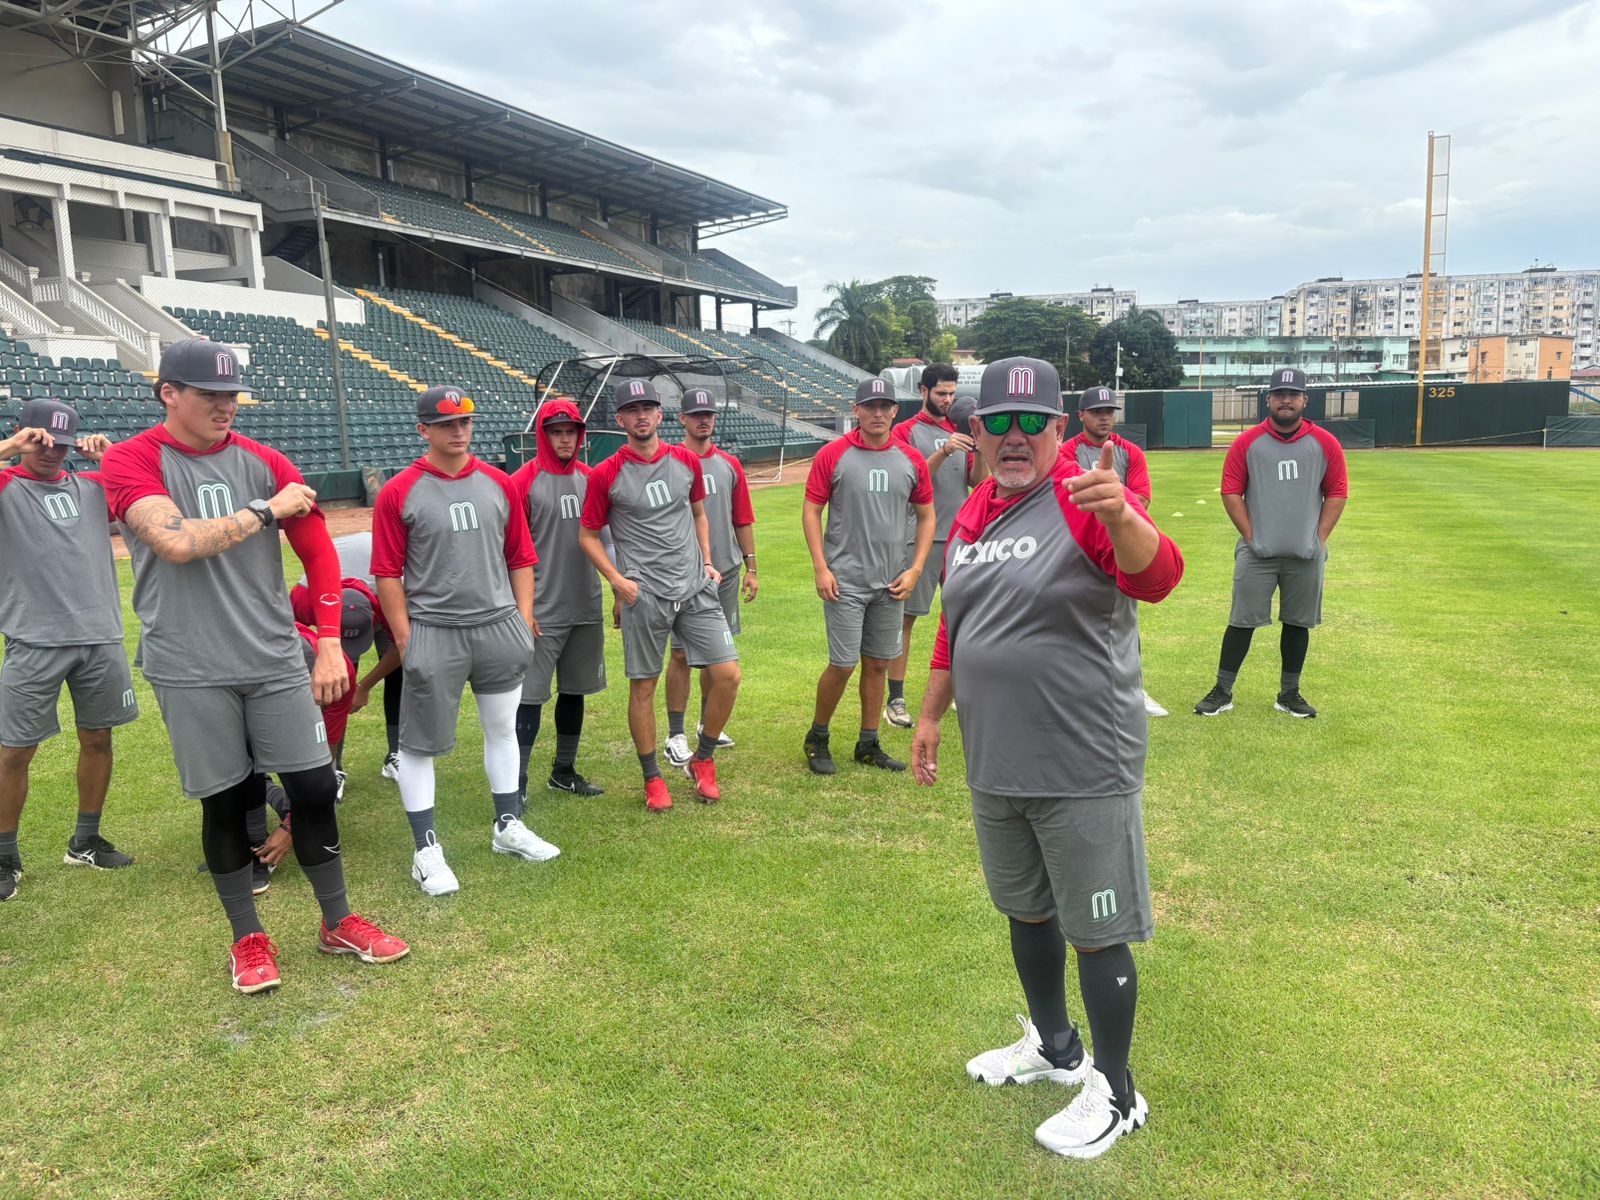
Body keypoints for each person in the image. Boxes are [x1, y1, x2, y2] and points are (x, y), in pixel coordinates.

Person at [910, 356, 1184, 1160]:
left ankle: (1118, 1091)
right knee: (1025, 909)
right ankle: (1056, 1047)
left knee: (1095, 929)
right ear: (977, 434)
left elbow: (1159, 575)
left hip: (1079, 757)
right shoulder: (974, 513)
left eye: (1036, 422)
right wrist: (931, 714)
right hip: (996, 757)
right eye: (1001, 422)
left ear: (1062, 429)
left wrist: (1126, 515)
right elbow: (957, 625)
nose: (1018, 435)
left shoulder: (1086, 496)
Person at [101, 339, 407, 994]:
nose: (224, 406)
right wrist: (264, 511)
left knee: (316, 788)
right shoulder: (133, 461)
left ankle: (337, 920)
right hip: (190, 663)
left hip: (270, 654)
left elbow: (320, 555)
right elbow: (176, 541)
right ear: (168, 394)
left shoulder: (264, 460)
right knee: (226, 799)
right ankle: (247, 938)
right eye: (209, 394)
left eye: (231, 394)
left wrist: (329, 642)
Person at [372, 384, 556, 897]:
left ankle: (507, 826)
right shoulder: (399, 491)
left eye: (466, 422)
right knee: (418, 745)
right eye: (447, 424)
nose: (459, 432)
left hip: (498, 627)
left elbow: (521, 556)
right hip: (435, 628)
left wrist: (522, 618)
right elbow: (387, 573)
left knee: (502, 730)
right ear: (423, 430)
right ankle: (426, 850)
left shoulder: (499, 483)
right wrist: (406, 639)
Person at [579, 378, 740, 812]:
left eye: (648, 407)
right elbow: (588, 536)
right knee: (643, 688)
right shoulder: (606, 474)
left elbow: (699, 513)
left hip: (694, 588)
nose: (642, 415)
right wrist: (617, 579)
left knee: (728, 675)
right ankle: (652, 778)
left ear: (660, 414)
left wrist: (708, 561)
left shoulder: (686, 460)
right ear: (621, 420)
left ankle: (702, 760)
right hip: (644, 595)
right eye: (633, 410)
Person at [0, 400, 137, 902]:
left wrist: (113, 458)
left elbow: (154, 493)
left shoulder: (93, 486)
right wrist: (11, 450)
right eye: (40, 441)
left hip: (99, 635)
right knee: (15, 751)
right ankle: (4, 853)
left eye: (62, 443)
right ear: (20, 434)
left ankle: (85, 839)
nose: (52, 452)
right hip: (33, 639)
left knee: (98, 739)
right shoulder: (8, 485)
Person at [1194, 367, 1348, 718]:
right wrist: (1251, 537)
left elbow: (1337, 493)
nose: (1286, 400)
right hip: (1258, 553)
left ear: (1304, 400)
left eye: (1293, 394)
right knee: (1241, 621)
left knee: (1298, 622)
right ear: (1269, 399)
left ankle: (1289, 694)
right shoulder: (1247, 442)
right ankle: (1223, 690)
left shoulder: (1325, 443)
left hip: (1305, 554)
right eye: (1279, 394)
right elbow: (1231, 492)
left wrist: (1318, 539)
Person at [802, 377, 934, 774]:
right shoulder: (833, 454)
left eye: (885, 406)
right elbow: (812, 510)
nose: (877, 413)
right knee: (842, 665)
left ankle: (868, 742)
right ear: (855, 410)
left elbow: (927, 517)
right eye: (869, 406)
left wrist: (915, 569)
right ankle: (818, 736)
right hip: (845, 582)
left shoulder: (911, 460)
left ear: (896, 411)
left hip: (891, 583)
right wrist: (821, 567)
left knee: (878, 664)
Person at [509, 398, 608, 800]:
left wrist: (618, 592)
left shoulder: (591, 478)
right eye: (557, 432)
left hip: (585, 604)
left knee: (575, 690)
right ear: (543, 435)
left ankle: (564, 771)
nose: (565, 439)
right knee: (530, 697)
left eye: (571, 432)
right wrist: (522, 609)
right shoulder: (521, 481)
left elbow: (607, 541)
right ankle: (516, 783)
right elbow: (509, 551)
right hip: (541, 610)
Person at [883, 365, 985, 729]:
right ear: (924, 391)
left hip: (961, 539)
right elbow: (905, 481)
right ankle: (895, 699)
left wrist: (982, 446)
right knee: (906, 619)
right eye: (941, 393)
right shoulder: (904, 431)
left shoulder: (961, 431)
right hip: (919, 539)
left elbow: (976, 481)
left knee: (966, 619)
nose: (948, 400)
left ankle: (962, 693)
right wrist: (943, 452)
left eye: (952, 394)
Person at [663, 388, 757, 767]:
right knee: (683, 653)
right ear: (681, 419)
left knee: (718, 654)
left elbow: (743, 518)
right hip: (682, 576)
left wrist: (751, 567)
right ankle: (675, 733)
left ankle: (707, 725)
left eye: (709, 414)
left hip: (727, 570)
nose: (703, 419)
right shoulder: (670, 463)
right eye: (695, 414)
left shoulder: (729, 465)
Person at [1060, 386, 1167, 718]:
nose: (1105, 417)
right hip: (1073, 546)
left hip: (1118, 545)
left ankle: (1132, 690)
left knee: (1123, 620)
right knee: (1070, 619)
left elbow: (1142, 498)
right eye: (1097, 411)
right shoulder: (1066, 452)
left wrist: (1113, 519)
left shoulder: (1130, 452)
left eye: (1109, 411)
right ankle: (1074, 694)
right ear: (1081, 416)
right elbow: (1057, 500)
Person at [296, 532, 406, 780]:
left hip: (383, 588)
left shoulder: (394, 595)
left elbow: (403, 646)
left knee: (401, 672)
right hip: (336, 598)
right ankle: (334, 768)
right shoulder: (304, 598)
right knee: (336, 683)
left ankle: (396, 755)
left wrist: (364, 686)